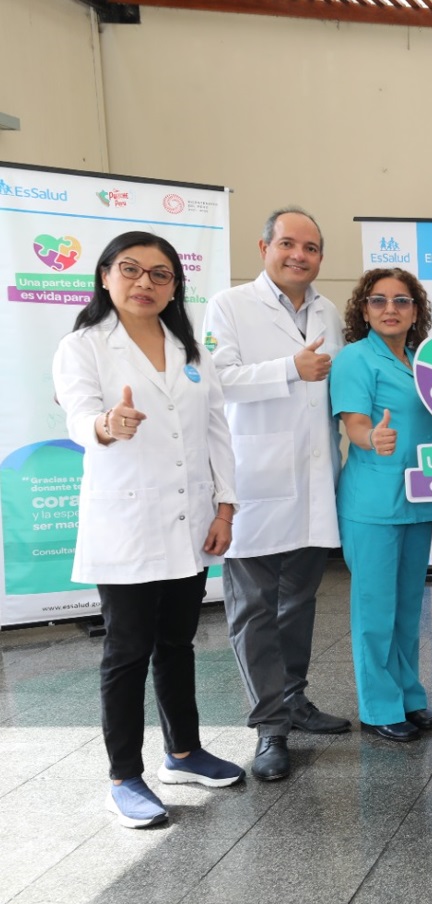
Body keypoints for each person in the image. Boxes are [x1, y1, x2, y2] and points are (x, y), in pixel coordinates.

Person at [52, 231, 246, 828]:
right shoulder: (84, 345)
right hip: (128, 524)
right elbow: (79, 414)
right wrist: (107, 425)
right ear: (105, 276)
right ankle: (123, 777)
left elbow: (217, 431)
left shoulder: (189, 349)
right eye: (131, 269)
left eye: (161, 274)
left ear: (174, 287)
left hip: (190, 521)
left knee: (177, 643)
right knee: (128, 650)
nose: (145, 283)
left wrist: (225, 508)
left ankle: (183, 752)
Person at [205, 207, 350, 784]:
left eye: (310, 248)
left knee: (300, 602)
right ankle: (269, 726)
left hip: (313, 483)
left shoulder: (328, 310)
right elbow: (216, 380)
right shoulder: (229, 305)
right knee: (254, 611)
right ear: (264, 247)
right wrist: (290, 368)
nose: (299, 255)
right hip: (254, 482)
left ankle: (294, 699)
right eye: (288, 244)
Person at [331, 269, 432, 742]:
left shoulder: (421, 361)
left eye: (401, 300)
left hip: (417, 500)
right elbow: (355, 423)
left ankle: (408, 695)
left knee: (408, 609)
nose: (390, 309)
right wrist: (370, 438)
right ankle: (379, 707)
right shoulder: (355, 358)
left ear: (416, 311)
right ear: (364, 309)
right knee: (374, 611)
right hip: (372, 505)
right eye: (379, 300)